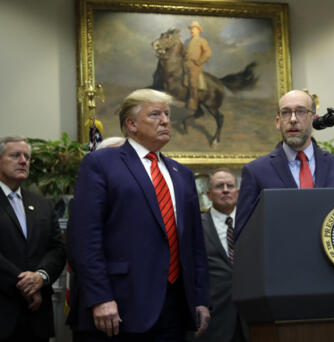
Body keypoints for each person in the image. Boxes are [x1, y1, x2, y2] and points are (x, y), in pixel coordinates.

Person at [67, 89, 210, 341]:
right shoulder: (102, 163)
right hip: (120, 306)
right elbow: (84, 237)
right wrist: (100, 297)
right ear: (131, 124)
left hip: (174, 308)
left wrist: (199, 298)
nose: (165, 121)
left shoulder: (182, 174)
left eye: (167, 114)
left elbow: (195, 244)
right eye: (155, 114)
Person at [234, 89, 334, 239]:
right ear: (277, 122)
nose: (293, 119)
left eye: (300, 112)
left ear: (314, 119)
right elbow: (243, 235)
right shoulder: (256, 172)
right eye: (286, 113)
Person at [0, 136, 66, 342]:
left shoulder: (43, 204)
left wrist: (41, 277)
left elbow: (57, 249)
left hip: (36, 318)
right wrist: (25, 285)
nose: (23, 161)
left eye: (27, 157)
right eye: (15, 155)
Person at [188, 169, 249, 342]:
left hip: (250, 317)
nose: (225, 190)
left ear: (237, 192)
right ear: (208, 194)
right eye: (219, 186)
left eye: (230, 186)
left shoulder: (252, 221)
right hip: (213, 320)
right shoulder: (196, 226)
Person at [185, 21, 212, 111]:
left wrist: (199, 61)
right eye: (191, 29)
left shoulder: (202, 41)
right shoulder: (188, 41)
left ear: (199, 30)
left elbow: (208, 53)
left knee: (193, 82)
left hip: (195, 66)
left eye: (194, 29)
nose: (192, 30)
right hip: (186, 64)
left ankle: (194, 104)